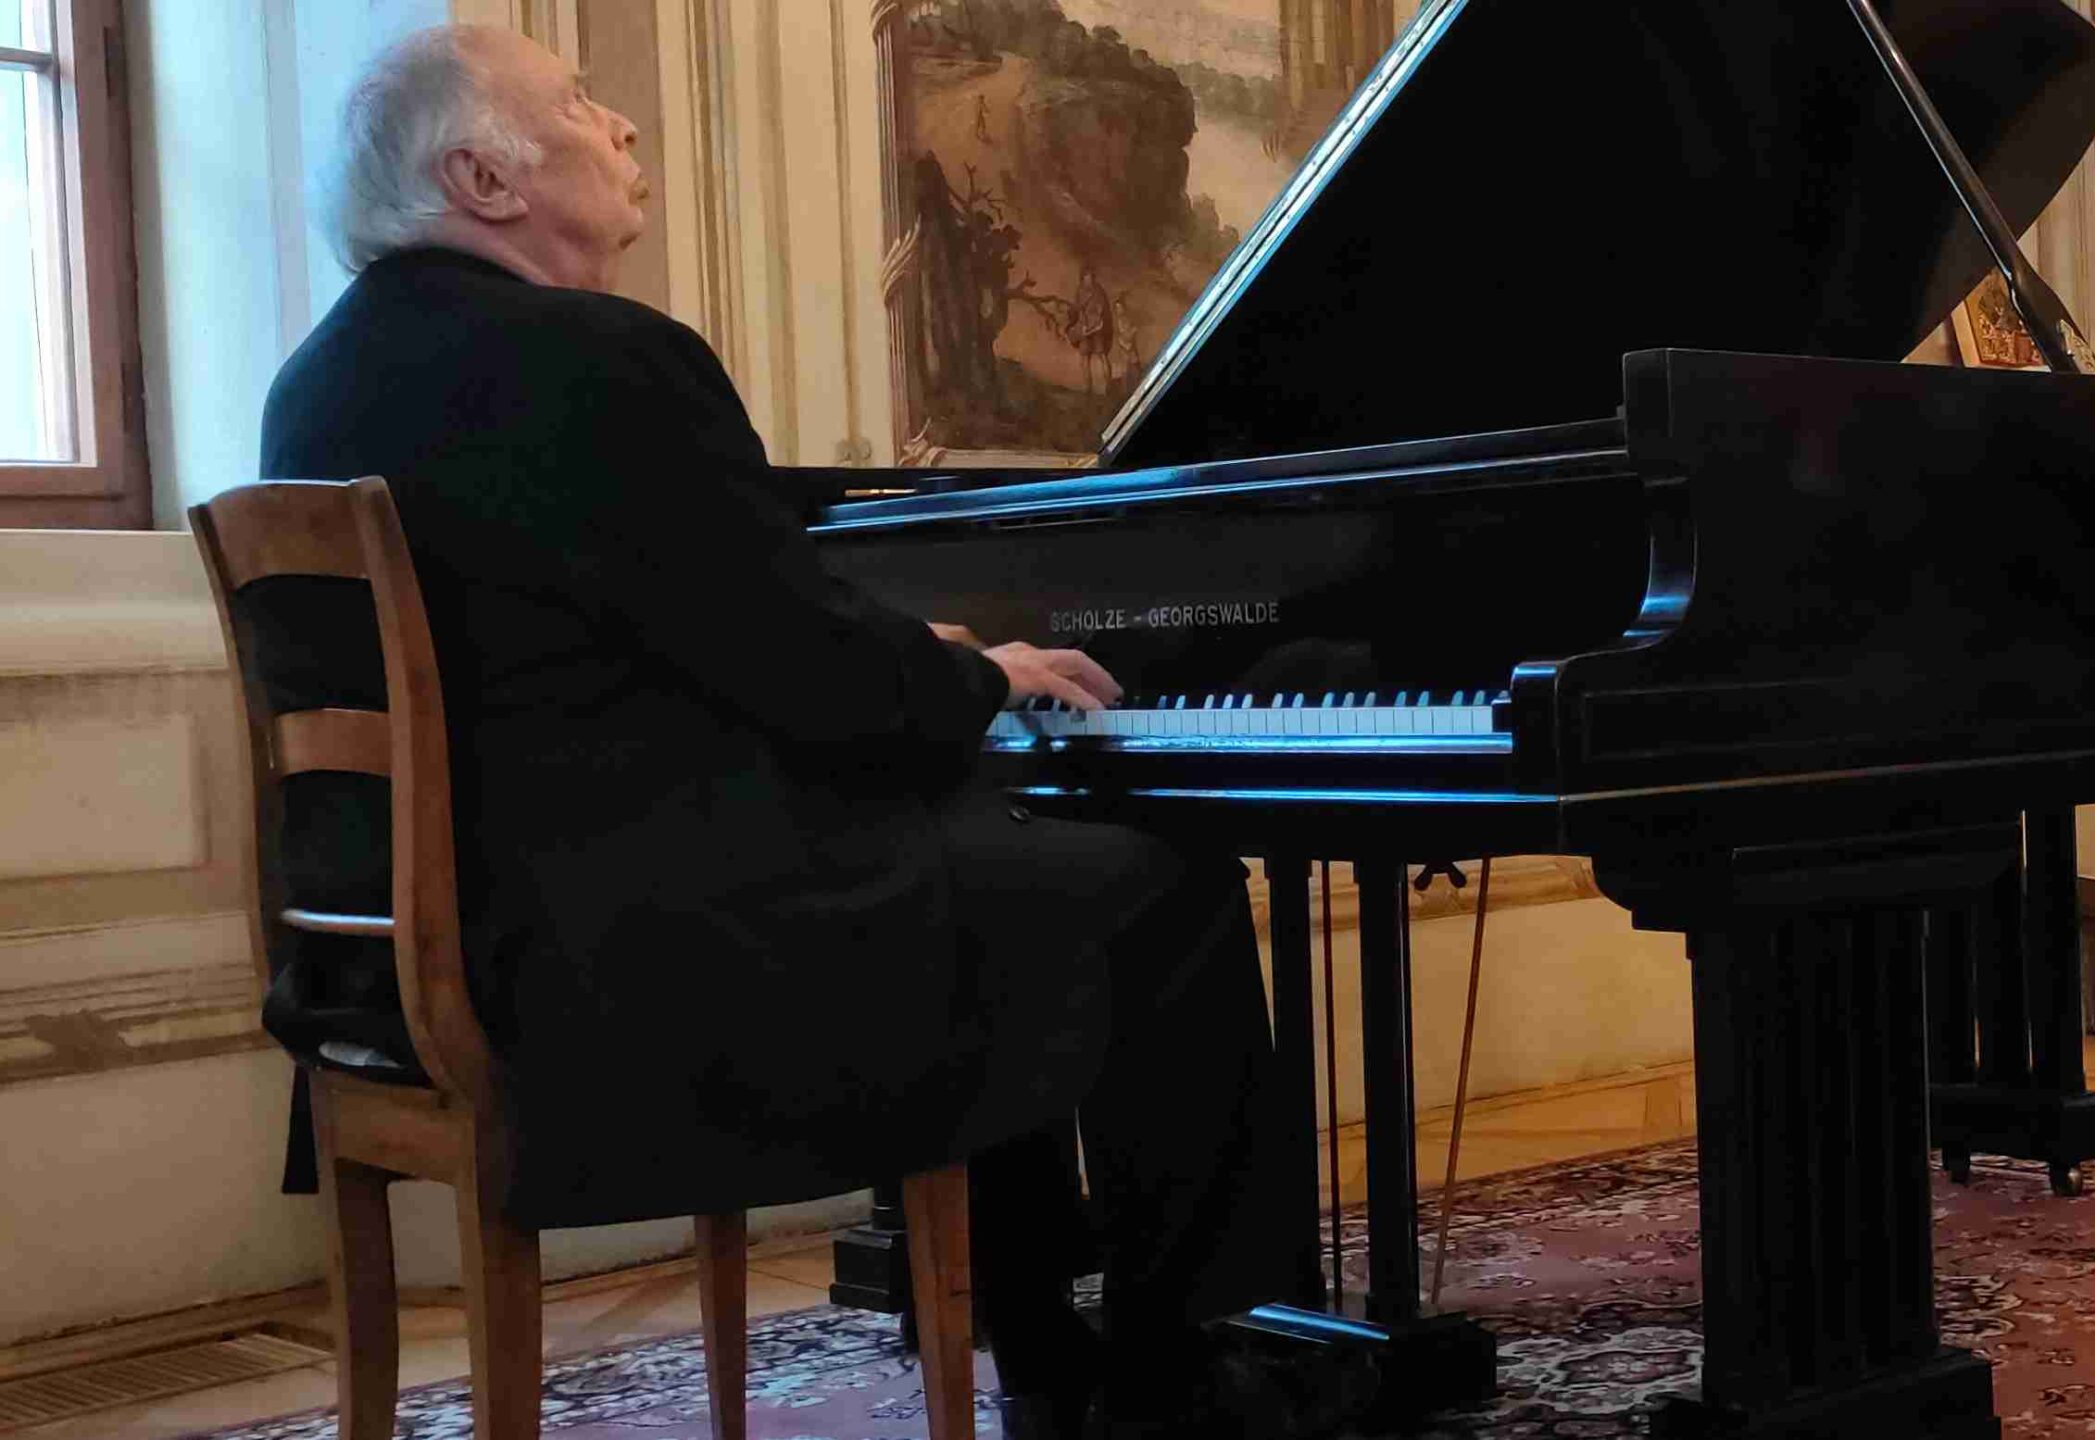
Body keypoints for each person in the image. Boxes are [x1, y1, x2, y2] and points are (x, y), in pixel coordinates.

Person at [258, 25, 1349, 1439]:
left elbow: (698, 630)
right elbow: (814, 678)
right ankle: (1170, 1373)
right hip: (644, 963)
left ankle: (1043, 1351)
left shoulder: (313, 385)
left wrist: (918, 665)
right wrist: (974, 673)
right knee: (1159, 878)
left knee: (1003, 870)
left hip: (428, 955)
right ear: (482, 178)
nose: (622, 128)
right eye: (579, 105)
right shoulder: (598, 360)